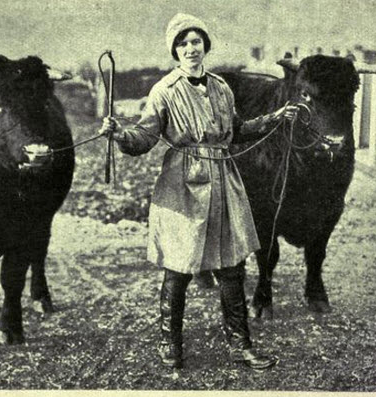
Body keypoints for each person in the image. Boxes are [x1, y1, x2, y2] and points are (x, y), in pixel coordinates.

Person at [101, 13, 298, 369]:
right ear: (174, 51)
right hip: (183, 185)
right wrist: (119, 133)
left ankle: (241, 345)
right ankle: (170, 344)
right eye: (183, 43)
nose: (190, 49)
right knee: (179, 267)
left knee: (232, 267)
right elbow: (144, 137)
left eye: (196, 42)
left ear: (205, 46)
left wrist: (274, 118)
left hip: (224, 179)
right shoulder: (164, 90)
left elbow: (237, 129)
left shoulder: (222, 87)